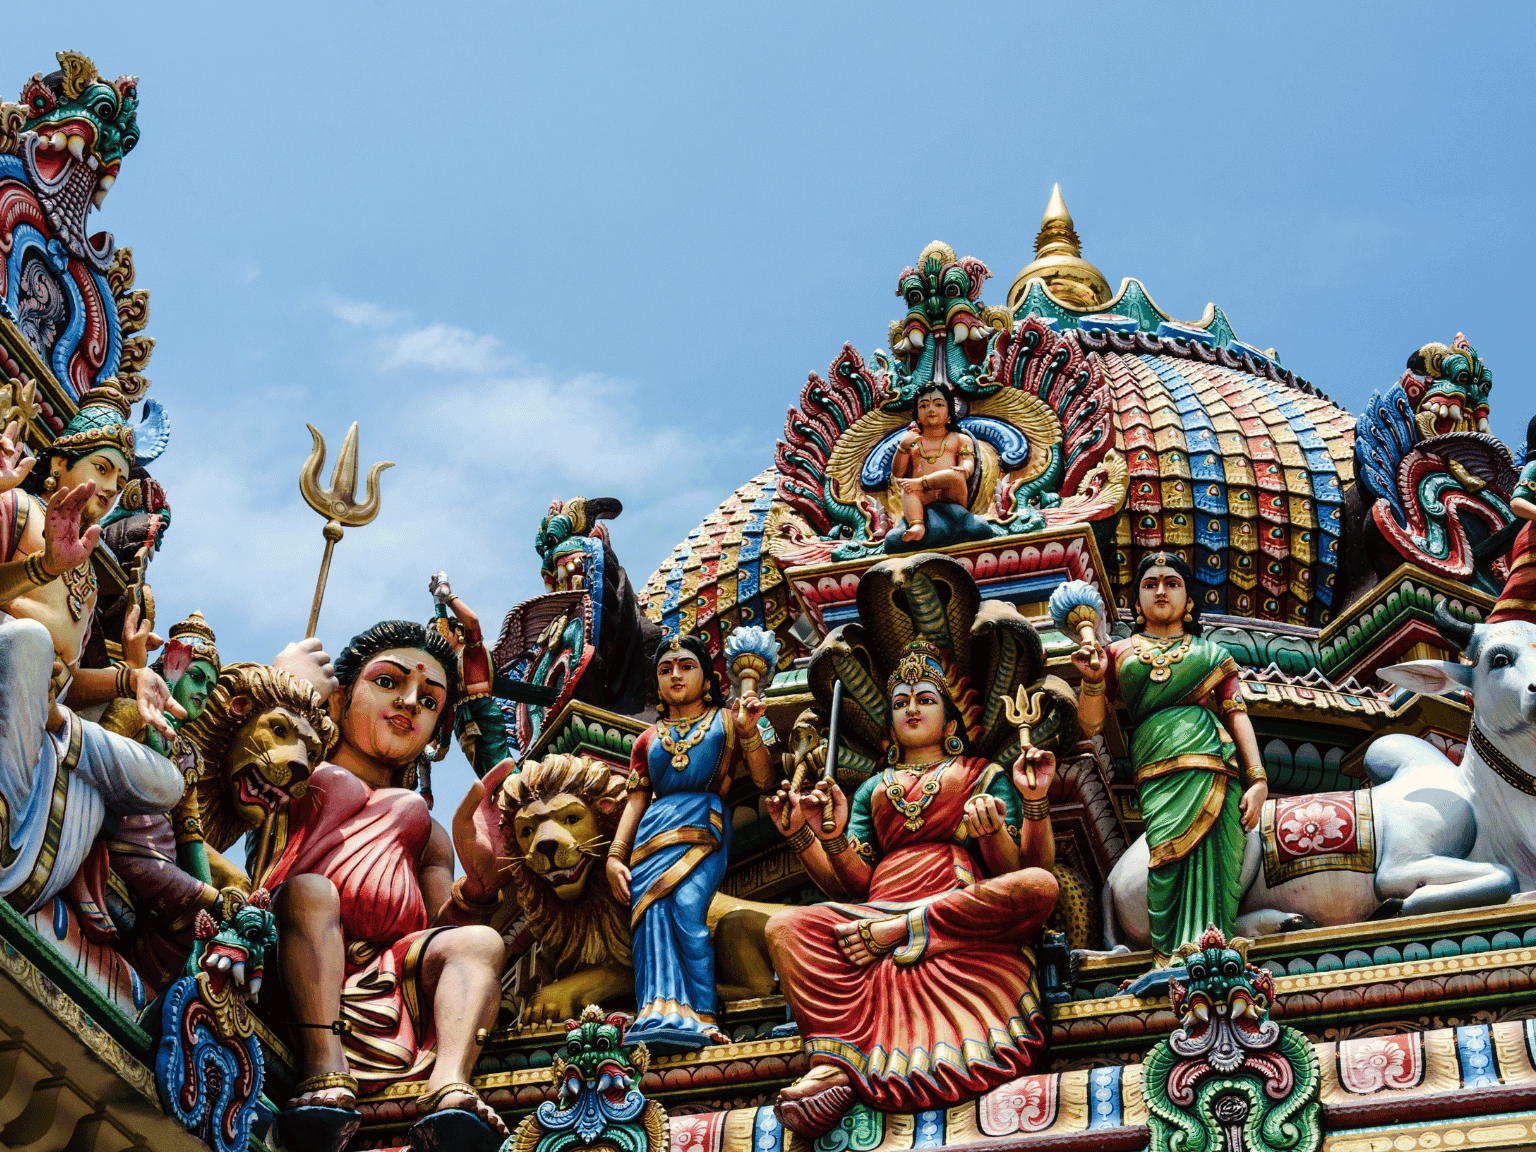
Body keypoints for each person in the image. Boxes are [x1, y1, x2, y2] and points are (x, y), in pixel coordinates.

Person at [764, 640, 1059, 1137]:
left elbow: (1021, 871)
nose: (912, 708)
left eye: (925, 698)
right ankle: (835, 1061)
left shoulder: (980, 774)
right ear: (889, 724)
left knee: (1039, 887)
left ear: (950, 721)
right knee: (786, 926)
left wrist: (1026, 807)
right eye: (901, 701)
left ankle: (905, 931)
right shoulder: (872, 789)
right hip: (876, 908)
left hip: (951, 905)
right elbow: (854, 881)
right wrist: (815, 834)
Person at [258, 620, 509, 1152]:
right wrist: (284, 692)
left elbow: (445, 923)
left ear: (436, 733)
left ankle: (449, 1084)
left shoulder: (428, 831)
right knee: (311, 892)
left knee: (480, 943)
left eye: (430, 700)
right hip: (297, 948)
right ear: (340, 697)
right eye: (389, 682)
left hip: (393, 967)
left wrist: (480, 888)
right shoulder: (297, 770)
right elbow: (231, 783)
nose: (410, 703)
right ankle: (324, 1072)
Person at [0, 391, 185, 914]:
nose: (108, 488)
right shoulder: (15, 510)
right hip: (4, 675)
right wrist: (40, 570)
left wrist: (130, 680)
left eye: (119, 481)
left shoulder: (84, 570)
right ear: (59, 463)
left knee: (166, 781)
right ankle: (3, 818)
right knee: (28, 640)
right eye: (100, 468)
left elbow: (70, 678)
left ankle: (55, 727)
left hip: (38, 712)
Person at [1075, 551, 1267, 967]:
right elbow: (1091, 726)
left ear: (1190, 600)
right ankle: (1172, 955)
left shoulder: (1211, 654)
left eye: (1172, 583)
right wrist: (1091, 681)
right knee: (1164, 855)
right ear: (1137, 601)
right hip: (1157, 767)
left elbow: (1237, 713)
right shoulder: (1117, 653)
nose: (1161, 590)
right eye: (1150, 583)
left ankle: (1212, 945)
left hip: (1214, 764)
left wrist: (1258, 779)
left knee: (1215, 854)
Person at [604, 633, 774, 1052]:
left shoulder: (728, 722)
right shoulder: (647, 739)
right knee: (650, 919)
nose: (676, 675)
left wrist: (751, 733)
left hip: (704, 824)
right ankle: (658, 1010)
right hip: (652, 835)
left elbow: (766, 780)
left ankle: (703, 1013)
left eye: (686, 666)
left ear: (707, 677)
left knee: (686, 910)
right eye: (666, 669)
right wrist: (614, 855)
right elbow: (636, 800)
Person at [890, 383, 976, 543]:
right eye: (924, 405)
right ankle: (917, 525)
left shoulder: (959, 438)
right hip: (923, 496)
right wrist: (903, 447)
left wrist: (964, 469)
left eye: (938, 404)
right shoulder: (914, 441)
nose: (931, 409)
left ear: (949, 411)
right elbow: (898, 473)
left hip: (950, 492)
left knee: (953, 476)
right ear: (916, 414)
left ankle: (920, 484)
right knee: (907, 489)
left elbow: (967, 461)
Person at [1491, 415, 1536, 624]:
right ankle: (1487, 636)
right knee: (1519, 597)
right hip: (1532, 540)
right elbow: (1517, 503)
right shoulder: (1534, 466)